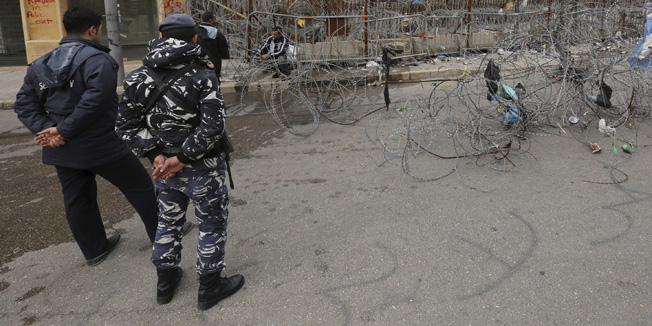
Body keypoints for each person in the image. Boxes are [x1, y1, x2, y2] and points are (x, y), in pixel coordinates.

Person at [12, 7, 189, 267]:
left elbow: (24, 103)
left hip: (62, 149)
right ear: (93, 29)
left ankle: (95, 249)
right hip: (103, 144)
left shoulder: (40, 63)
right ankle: (164, 233)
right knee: (139, 186)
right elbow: (96, 101)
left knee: (77, 198)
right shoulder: (98, 60)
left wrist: (52, 130)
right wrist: (61, 131)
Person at [116, 13, 244, 310]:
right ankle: (210, 286)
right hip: (202, 167)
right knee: (211, 223)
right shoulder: (202, 75)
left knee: (168, 221)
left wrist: (157, 156)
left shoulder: (137, 77)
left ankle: (165, 282)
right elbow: (212, 128)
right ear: (195, 39)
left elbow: (126, 126)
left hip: (163, 168)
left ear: (160, 38)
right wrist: (182, 158)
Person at [197, 11, 230, 82]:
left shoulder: (195, 31)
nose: (216, 20)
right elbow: (224, 50)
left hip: (198, 63)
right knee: (214, 83)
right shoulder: (217, 33)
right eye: (215, 19)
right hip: (214, 63)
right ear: (210, 20)